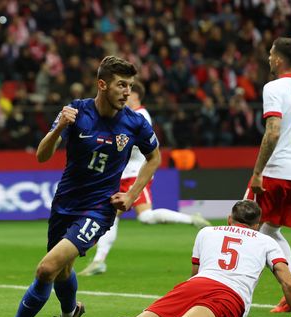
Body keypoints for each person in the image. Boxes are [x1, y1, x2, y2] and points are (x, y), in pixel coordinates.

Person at [0, 56, 161, 317]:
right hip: (65, 204)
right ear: (102, 85)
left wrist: (130, 195)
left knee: (46, 268)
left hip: (98, 209)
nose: (126, 92)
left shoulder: (135, 122)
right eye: (121, 85)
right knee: (63, 272)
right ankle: (68, 314)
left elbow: (154, 157)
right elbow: (42, 155)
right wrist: (58, 128)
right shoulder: (77, 111)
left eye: (129, 86)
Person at [38, 200, 291, 317]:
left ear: (230, 219)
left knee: (143, 316)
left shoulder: (208, 232)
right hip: (229, 297)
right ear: (258, 223)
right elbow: (288, 285)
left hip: (194, 285)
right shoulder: (267, 241)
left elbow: (195, 272)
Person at [79, 81, 210, 276]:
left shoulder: (140, 115)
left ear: (136, 95)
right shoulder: (128, 115)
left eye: (127, 92)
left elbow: (136, 145)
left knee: (146, 217)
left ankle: (192, 219)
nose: (123, 96)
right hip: (122, 174)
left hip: (135, 174)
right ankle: (99, 261)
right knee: (111, 216)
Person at [244, 37, 291, 313]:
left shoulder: (274, 87)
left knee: (244, 226)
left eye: (270, 54)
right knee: (270, 230)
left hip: (275, 171)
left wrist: (258, 172)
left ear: (278, 59)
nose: (267, 59)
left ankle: (234, 294)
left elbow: (273, 131)